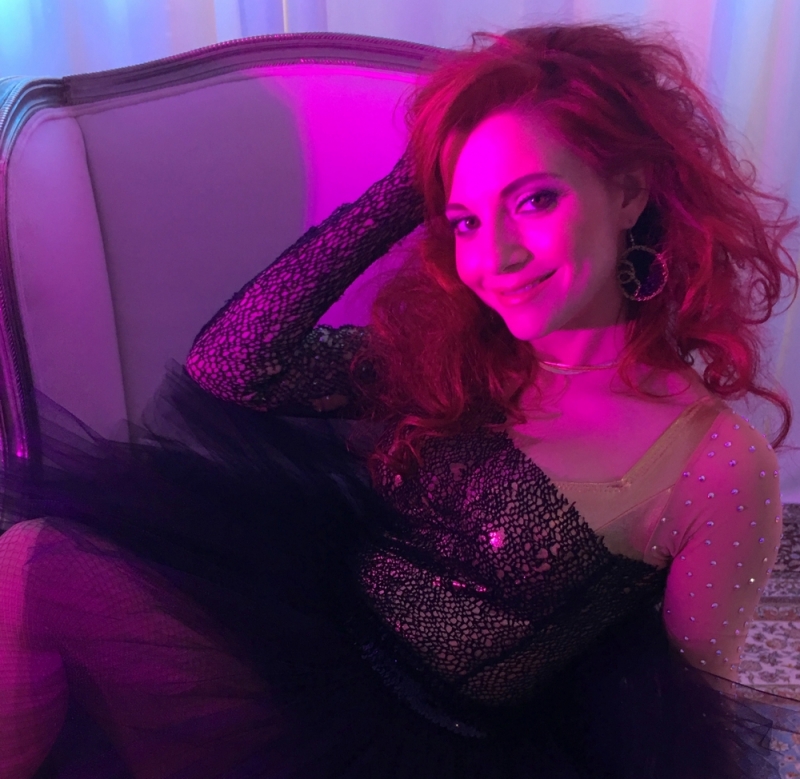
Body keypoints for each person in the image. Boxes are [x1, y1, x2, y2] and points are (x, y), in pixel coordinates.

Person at [0, 22, 798, 779]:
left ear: (628, 191)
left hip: (411, 750)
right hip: (301, 644)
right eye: (466, 221)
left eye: (534, 200)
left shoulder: (719, 465)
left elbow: (684, 728)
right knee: (32, 560)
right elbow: (232, 364)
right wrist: (404, 189)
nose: (497, 257)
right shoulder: (465, 355)